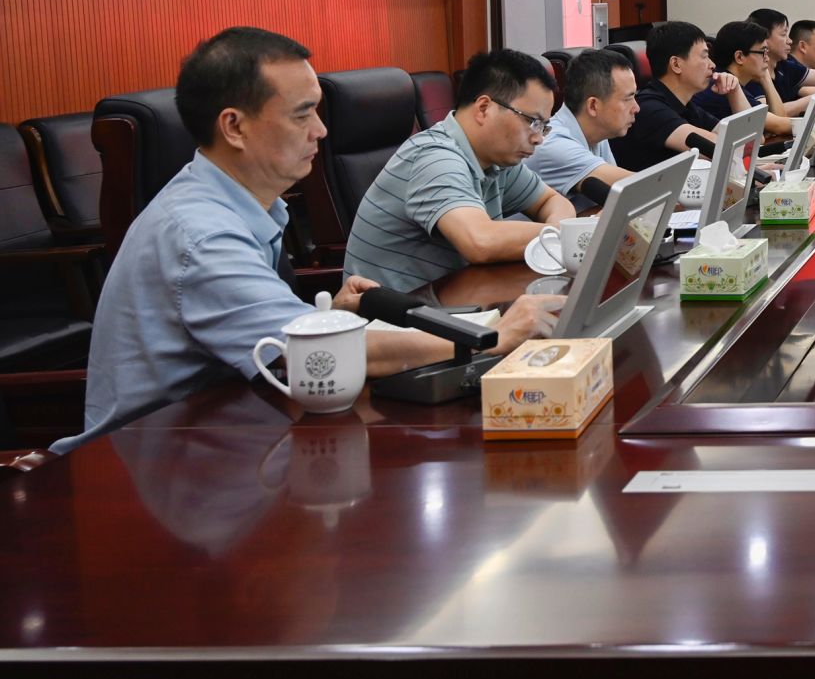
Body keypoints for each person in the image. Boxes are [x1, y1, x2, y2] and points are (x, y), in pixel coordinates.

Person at [56, 28, 560, 454]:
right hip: (155, 462)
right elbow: (320, 356)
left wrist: (326, 316)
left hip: (234, 428)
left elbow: (267, 335)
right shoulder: (202, 235)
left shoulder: (246, 205)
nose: (320, 131)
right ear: (234, 126)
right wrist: (493, 337)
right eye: (302, 114)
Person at [343, 49, 576, 292]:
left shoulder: (497, 159)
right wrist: (561, 235)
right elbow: (480, 241)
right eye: (532, 121)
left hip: (452, 298)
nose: (539, 138)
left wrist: (558, 230)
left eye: (544, 126)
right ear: (484, 108)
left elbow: (550, 200)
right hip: (397, 311)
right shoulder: (435, 157)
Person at [614, 21, 736, 170]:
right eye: (704, 57)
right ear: (676, 65)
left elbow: (744, 139)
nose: (712, 65)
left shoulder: (686, 105)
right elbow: (724, 149)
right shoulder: (649, 108)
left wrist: (734, 91)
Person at [526, 48, 638, 204]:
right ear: (593, 106)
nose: (636, 108)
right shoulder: (554, 145)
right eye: (628, 99)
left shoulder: (597, 131)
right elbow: (638, 188)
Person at [699, 18, 793, 137]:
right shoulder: (723, 85)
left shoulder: (738, 82)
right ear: (739, 57)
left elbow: (777, 122)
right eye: (763, 52)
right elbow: (780, 126)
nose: (767, 58)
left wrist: (765, 77)